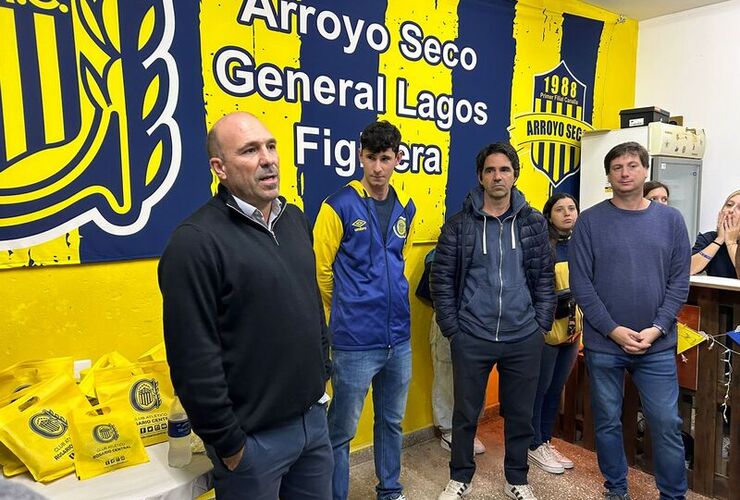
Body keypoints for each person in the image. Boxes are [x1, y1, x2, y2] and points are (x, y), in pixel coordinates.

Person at [159, 112, 333, 500]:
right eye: (250, 150)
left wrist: (322, 375)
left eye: (270, 146)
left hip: (313, 426)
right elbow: (192, 359)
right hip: (253, 447)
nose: (268, 159)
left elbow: (310, 307)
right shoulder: (195, 243)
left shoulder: (294, 221)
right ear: (219, 168)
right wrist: (230, 444)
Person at [431, 142, 555, 500]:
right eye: (490, 170)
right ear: (480, 177)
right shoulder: (459, 225)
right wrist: (454, 329)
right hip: (472, 334)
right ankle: (460, 477)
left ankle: (517, 479)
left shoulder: (533, 223)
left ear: (515, 175)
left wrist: (540, 325)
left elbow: (544, 278)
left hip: (523, 335)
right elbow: (441, 280)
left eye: (504, 169)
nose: (497, 176)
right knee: (465, 415)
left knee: (519, 415)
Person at [569, 141, 690, 500]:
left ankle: (673, 495)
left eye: (632, 165)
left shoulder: (671, 220)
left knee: (666, 424)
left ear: (645, 171)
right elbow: (581, 284)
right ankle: (616, 489)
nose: (625, 172)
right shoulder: (589, 221)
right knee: (607, 422)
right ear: (608, 175)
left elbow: (679, 281)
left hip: (657, 345)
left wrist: (658, 328)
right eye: (617, 166)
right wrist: (613, 330)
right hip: (605, 344)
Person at [313, 120, 416, 500]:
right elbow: (320, 271)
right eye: (371, 158)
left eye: (385, 158)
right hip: (354, 341)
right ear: (360, 157)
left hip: (398, 340)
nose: (377, 167)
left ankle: (390, 490)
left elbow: (397, 263)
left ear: (397, 159)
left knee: (391, 422)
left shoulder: (407, 206)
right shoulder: (337, 205)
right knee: (340, 431)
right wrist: (344, 309)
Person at [527, 193, 582, 475]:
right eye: (560, 209)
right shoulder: (542, 245)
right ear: (549, 215)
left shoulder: (581, 244)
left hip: (573, 331)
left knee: (556, 388)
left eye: (571, 208)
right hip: (548, 330)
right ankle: (533, 443)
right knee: (541, 388)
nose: (567, 213)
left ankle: (545, 440)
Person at [415, 248, 487, 456]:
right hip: (448, 321)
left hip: (479, 323)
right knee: (446, 375)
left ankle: (470, 427)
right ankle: (449, 431)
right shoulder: (438, 253)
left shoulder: (486, 247)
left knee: (476, 376)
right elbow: (429, 292)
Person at [690, 189, 740, 277]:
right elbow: (689, 269)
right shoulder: (708, 238)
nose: (731, 210)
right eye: (729, 205)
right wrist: (719, 240)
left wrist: (731, 243)